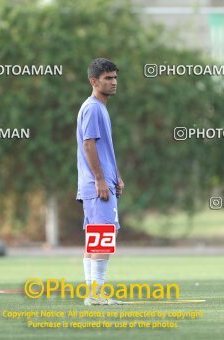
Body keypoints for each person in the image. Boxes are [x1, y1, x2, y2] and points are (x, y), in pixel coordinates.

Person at [76, 58, 124, 305]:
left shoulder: (98, 107)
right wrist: (100, 180)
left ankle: (93, 295)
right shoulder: (93, 107)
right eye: (107, 78)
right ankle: (96, 295)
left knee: (95, 238)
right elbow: (88, 144)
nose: (113, 82)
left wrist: (115, 176)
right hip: (96, 186)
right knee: (104, 236)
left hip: (98, 183)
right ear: (94, 81)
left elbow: (101, 148)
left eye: (115, 77)